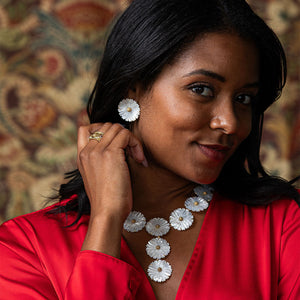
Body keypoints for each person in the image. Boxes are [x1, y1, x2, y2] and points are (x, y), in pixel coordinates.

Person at [0, 0, 299, 299]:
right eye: (202, 89)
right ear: (133, 86)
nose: (230, 123)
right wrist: (106, 221)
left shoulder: (282, 226)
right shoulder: (24, 249)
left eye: (244, 99)